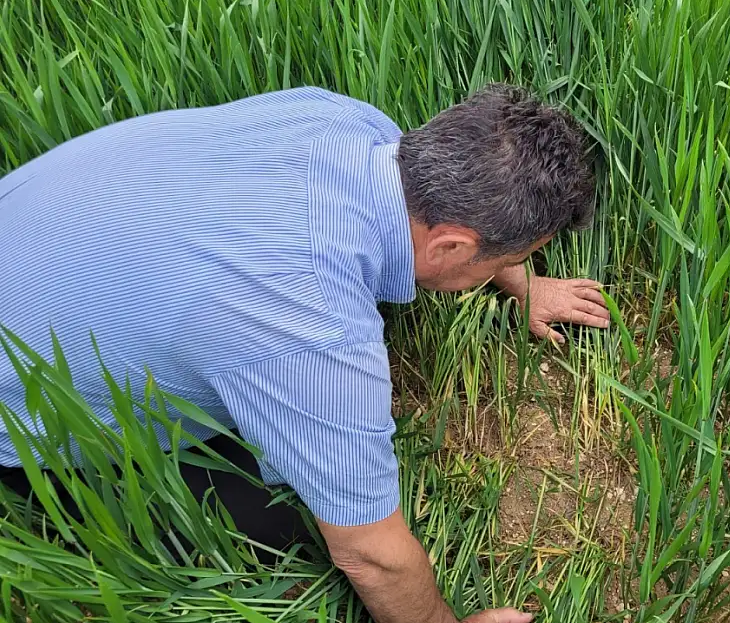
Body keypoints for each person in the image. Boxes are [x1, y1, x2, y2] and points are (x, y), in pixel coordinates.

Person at [0, 84, 610, 623]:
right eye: (502, 261)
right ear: (452, 247)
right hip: (19, 417)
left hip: (29, 237)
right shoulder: (312, 326)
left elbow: (451, 219)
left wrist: (521, 282)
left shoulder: (343, 124)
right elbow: (370, 556)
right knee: (288, 511)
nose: (501, 271)